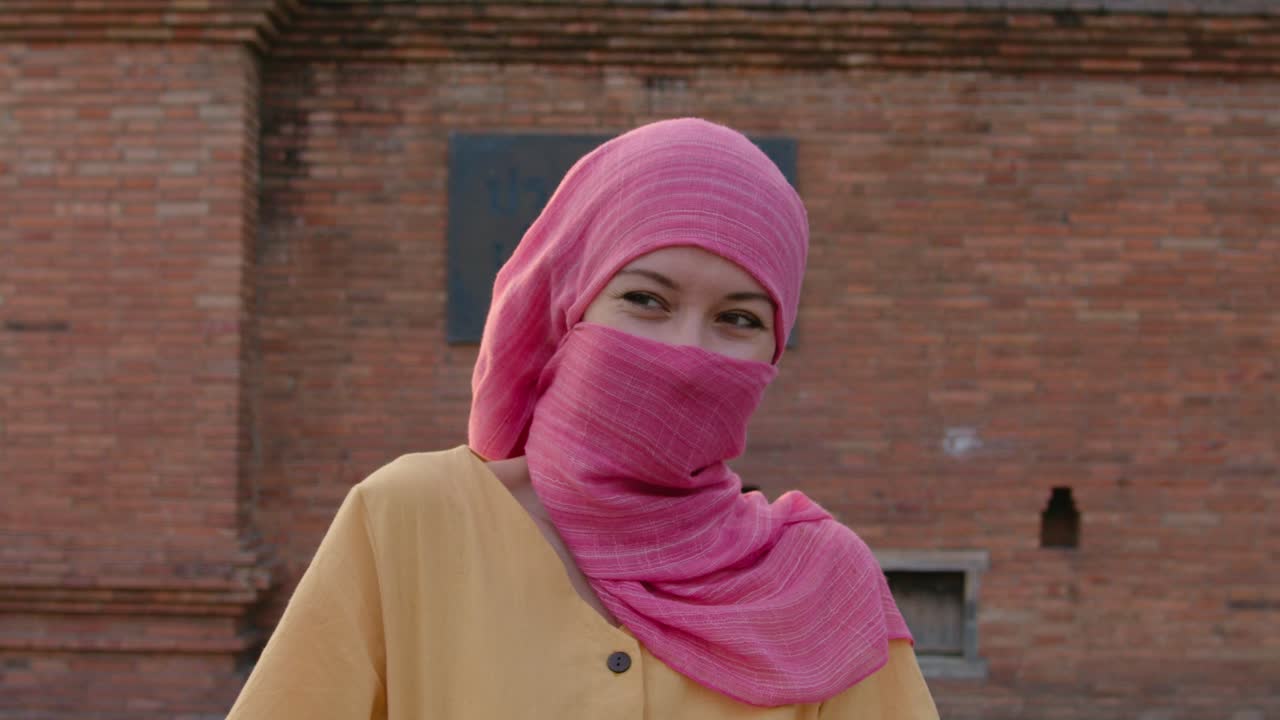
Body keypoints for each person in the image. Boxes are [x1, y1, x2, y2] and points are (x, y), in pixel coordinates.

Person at [226, 118, 938, 719]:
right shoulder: (411, 522)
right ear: (569, 303)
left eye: (738, 318)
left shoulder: (821, 581)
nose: (685, 351)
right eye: (646, 300)